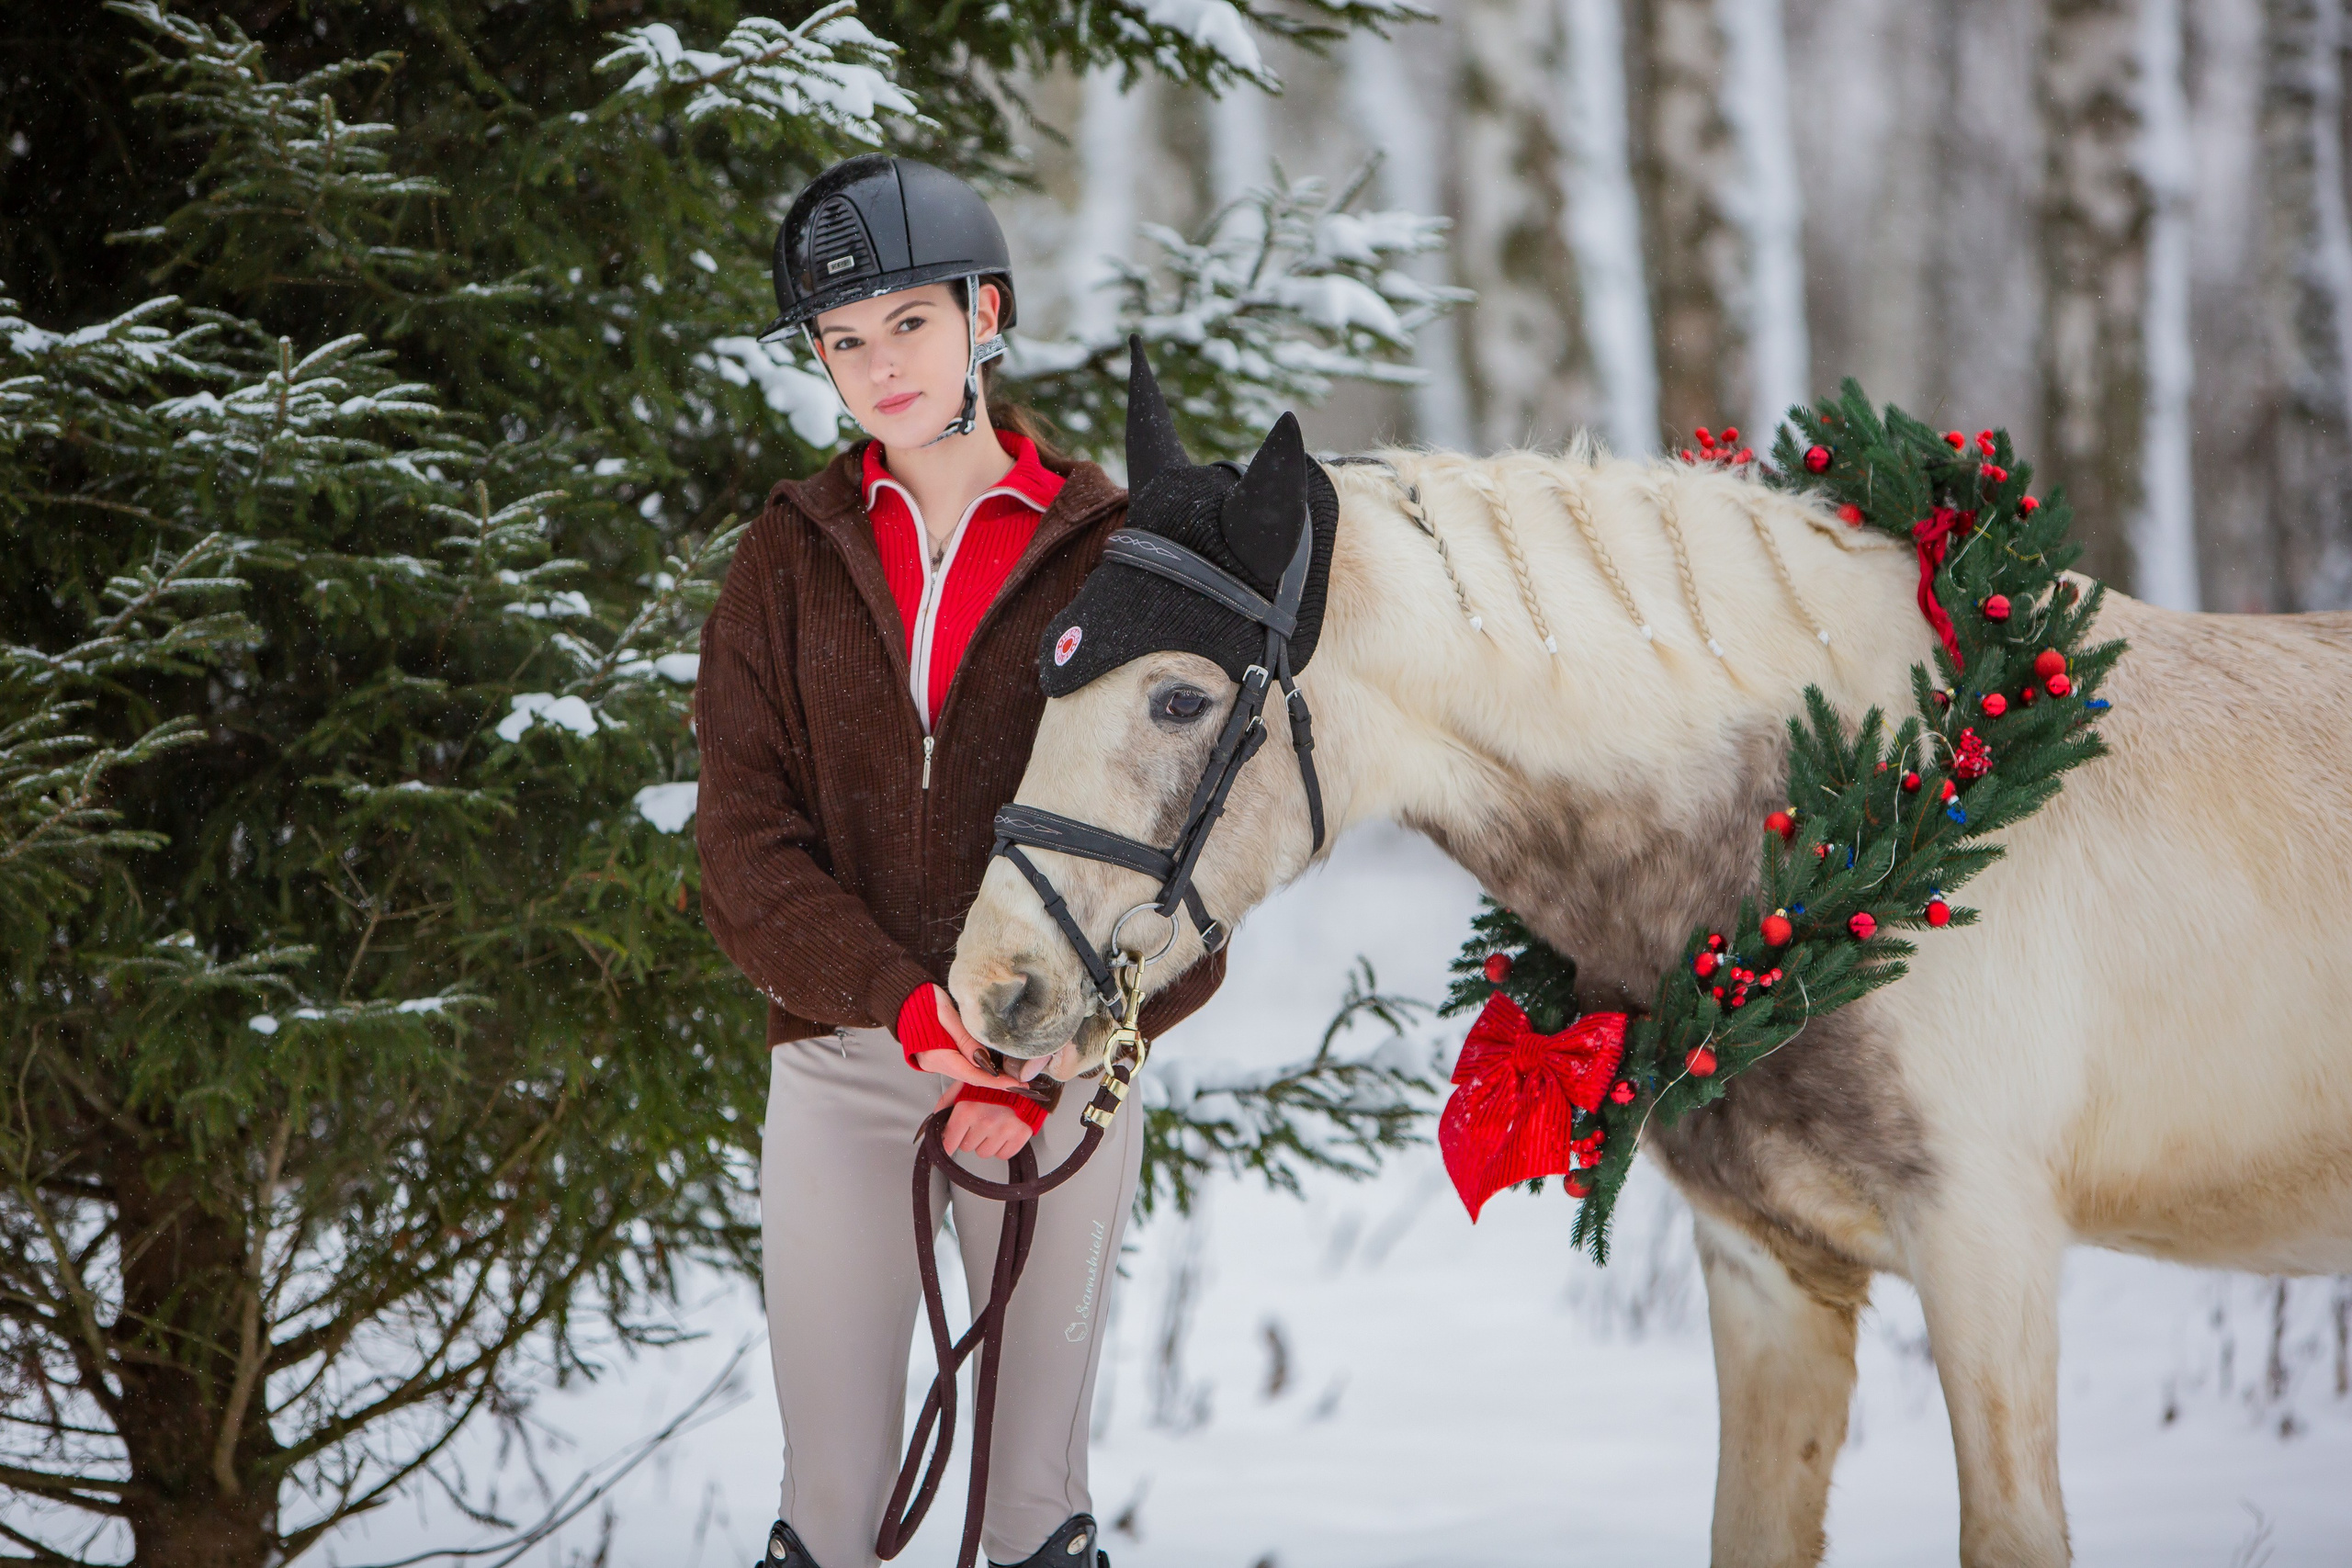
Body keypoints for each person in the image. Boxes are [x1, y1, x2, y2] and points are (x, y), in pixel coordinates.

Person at [694, 154, 1225, 1568]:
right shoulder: (786, 558)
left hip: (1056, 1071)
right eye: (844, 341)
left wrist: (1038, 1056)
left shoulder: (1118, 552)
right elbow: (742, 852)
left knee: (1031, 1509)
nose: (880, 366)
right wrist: (917, 1014)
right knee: (832, 1505)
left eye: (909, 324)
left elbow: (1191, 872)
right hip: (845, 1059)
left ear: (984, 311)